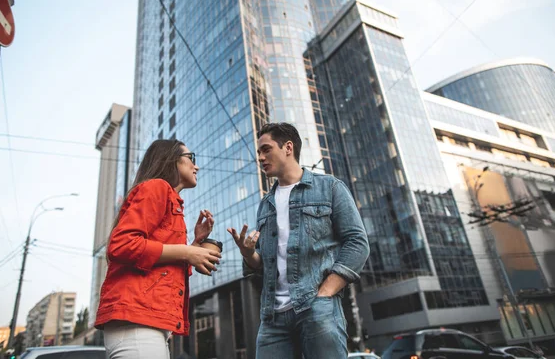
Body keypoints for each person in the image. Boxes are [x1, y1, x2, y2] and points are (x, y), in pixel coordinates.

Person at [228, 123, 370, 359]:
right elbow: (264, 265)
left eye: (266, 149)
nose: (261, 158)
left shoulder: (330, 188)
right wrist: (247, 253)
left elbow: (357, 243)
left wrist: (325, 293)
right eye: (259, 153)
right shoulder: (266, 204)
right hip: (272, 318)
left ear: (288, 147)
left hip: (317, 308)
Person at [95, 139, 221, 359]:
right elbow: (122, 244)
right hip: (137, 323)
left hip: (146, 325)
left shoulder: (171, 203)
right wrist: (187, 252)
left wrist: (194, 245)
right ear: (172, 160)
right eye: (191, 158)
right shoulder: (157, 187)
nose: (196, 166)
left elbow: (165, 268)